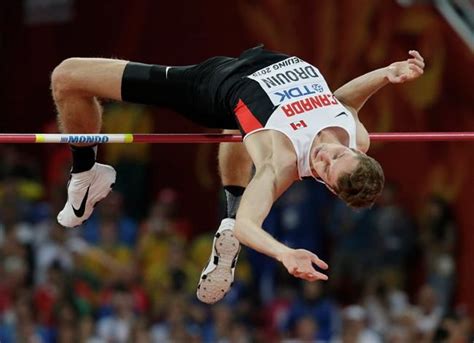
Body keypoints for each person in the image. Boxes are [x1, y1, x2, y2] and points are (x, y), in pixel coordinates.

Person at [50, 45, 425, 304]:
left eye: (325, 167)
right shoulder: (356, 137)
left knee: (67, 76)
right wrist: (385, 74)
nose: (326, 153)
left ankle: (85, 175)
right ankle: (224, 220)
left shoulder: (280, 161)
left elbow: (250, 223)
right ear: (356, 151)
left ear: (325, 183)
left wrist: (284, 254)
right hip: (257, 65)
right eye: (338, 154)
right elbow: (341, 101)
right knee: (239, 130)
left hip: (211, 86)